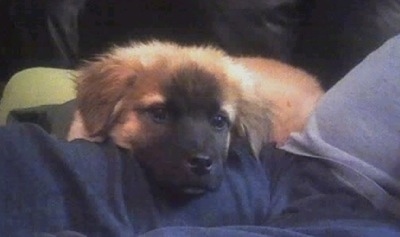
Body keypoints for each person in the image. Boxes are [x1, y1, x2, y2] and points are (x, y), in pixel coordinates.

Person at [1, 34, 400, 236]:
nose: (195, 148)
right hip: (294, 164)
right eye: (159, 113)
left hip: (353, 202)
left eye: (220, 122)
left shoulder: (259, 115)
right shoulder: (122, 88)